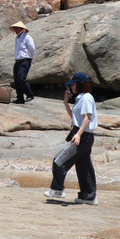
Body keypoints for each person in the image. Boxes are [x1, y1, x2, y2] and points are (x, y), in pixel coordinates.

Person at [44, 71, 98, 205]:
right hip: (82, 134)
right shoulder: (80, 98)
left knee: (59, 160)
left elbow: (87, 118)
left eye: (73, 84)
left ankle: (57, 190)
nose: (71, 87)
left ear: (80, 84)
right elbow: (75, 119)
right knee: (84, 167)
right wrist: (66, 103)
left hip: (82, 135)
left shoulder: (86, 98)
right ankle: (88, 196)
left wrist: (78, 135)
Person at [11, 21, 36, 104]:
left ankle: (30, 94)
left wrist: (30, 58)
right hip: (18, 60)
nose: (16, 30)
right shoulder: (17, 38)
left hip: (25, 60)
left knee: (21, 78)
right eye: (15, 29)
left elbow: (32, 48)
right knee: (17, 80)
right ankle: (20, 98)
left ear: (22, 29)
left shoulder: (27, 37)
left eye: (17, 29)